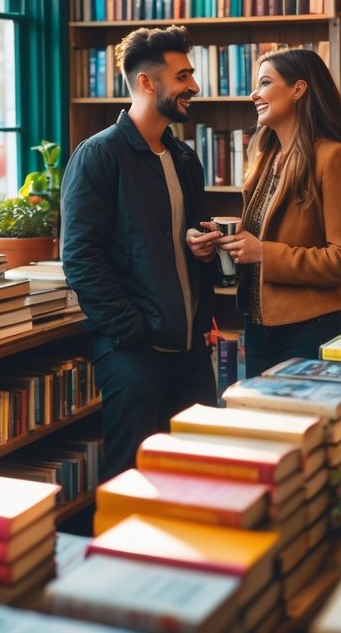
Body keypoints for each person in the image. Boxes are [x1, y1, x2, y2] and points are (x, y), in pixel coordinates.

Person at [61, 25, 221, 482]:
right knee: (129, 480)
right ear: (148, 83)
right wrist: (131, 331)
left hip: (190, 351)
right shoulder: (98, 156)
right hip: (134, 354)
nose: (193, 85)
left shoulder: (185, 158)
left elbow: (185, 243)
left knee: (199, 475)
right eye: (183, 75)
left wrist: (203, 249)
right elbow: (80, 256)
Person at [213, 47, 341, 378]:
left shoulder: (335, 157)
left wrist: (262, 253)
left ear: (298, 89)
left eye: (265, 83)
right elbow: (269, 237)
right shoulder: (266, 159)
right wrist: (222, 242)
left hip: (310, 329)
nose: (254, 94)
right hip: (258, 327)